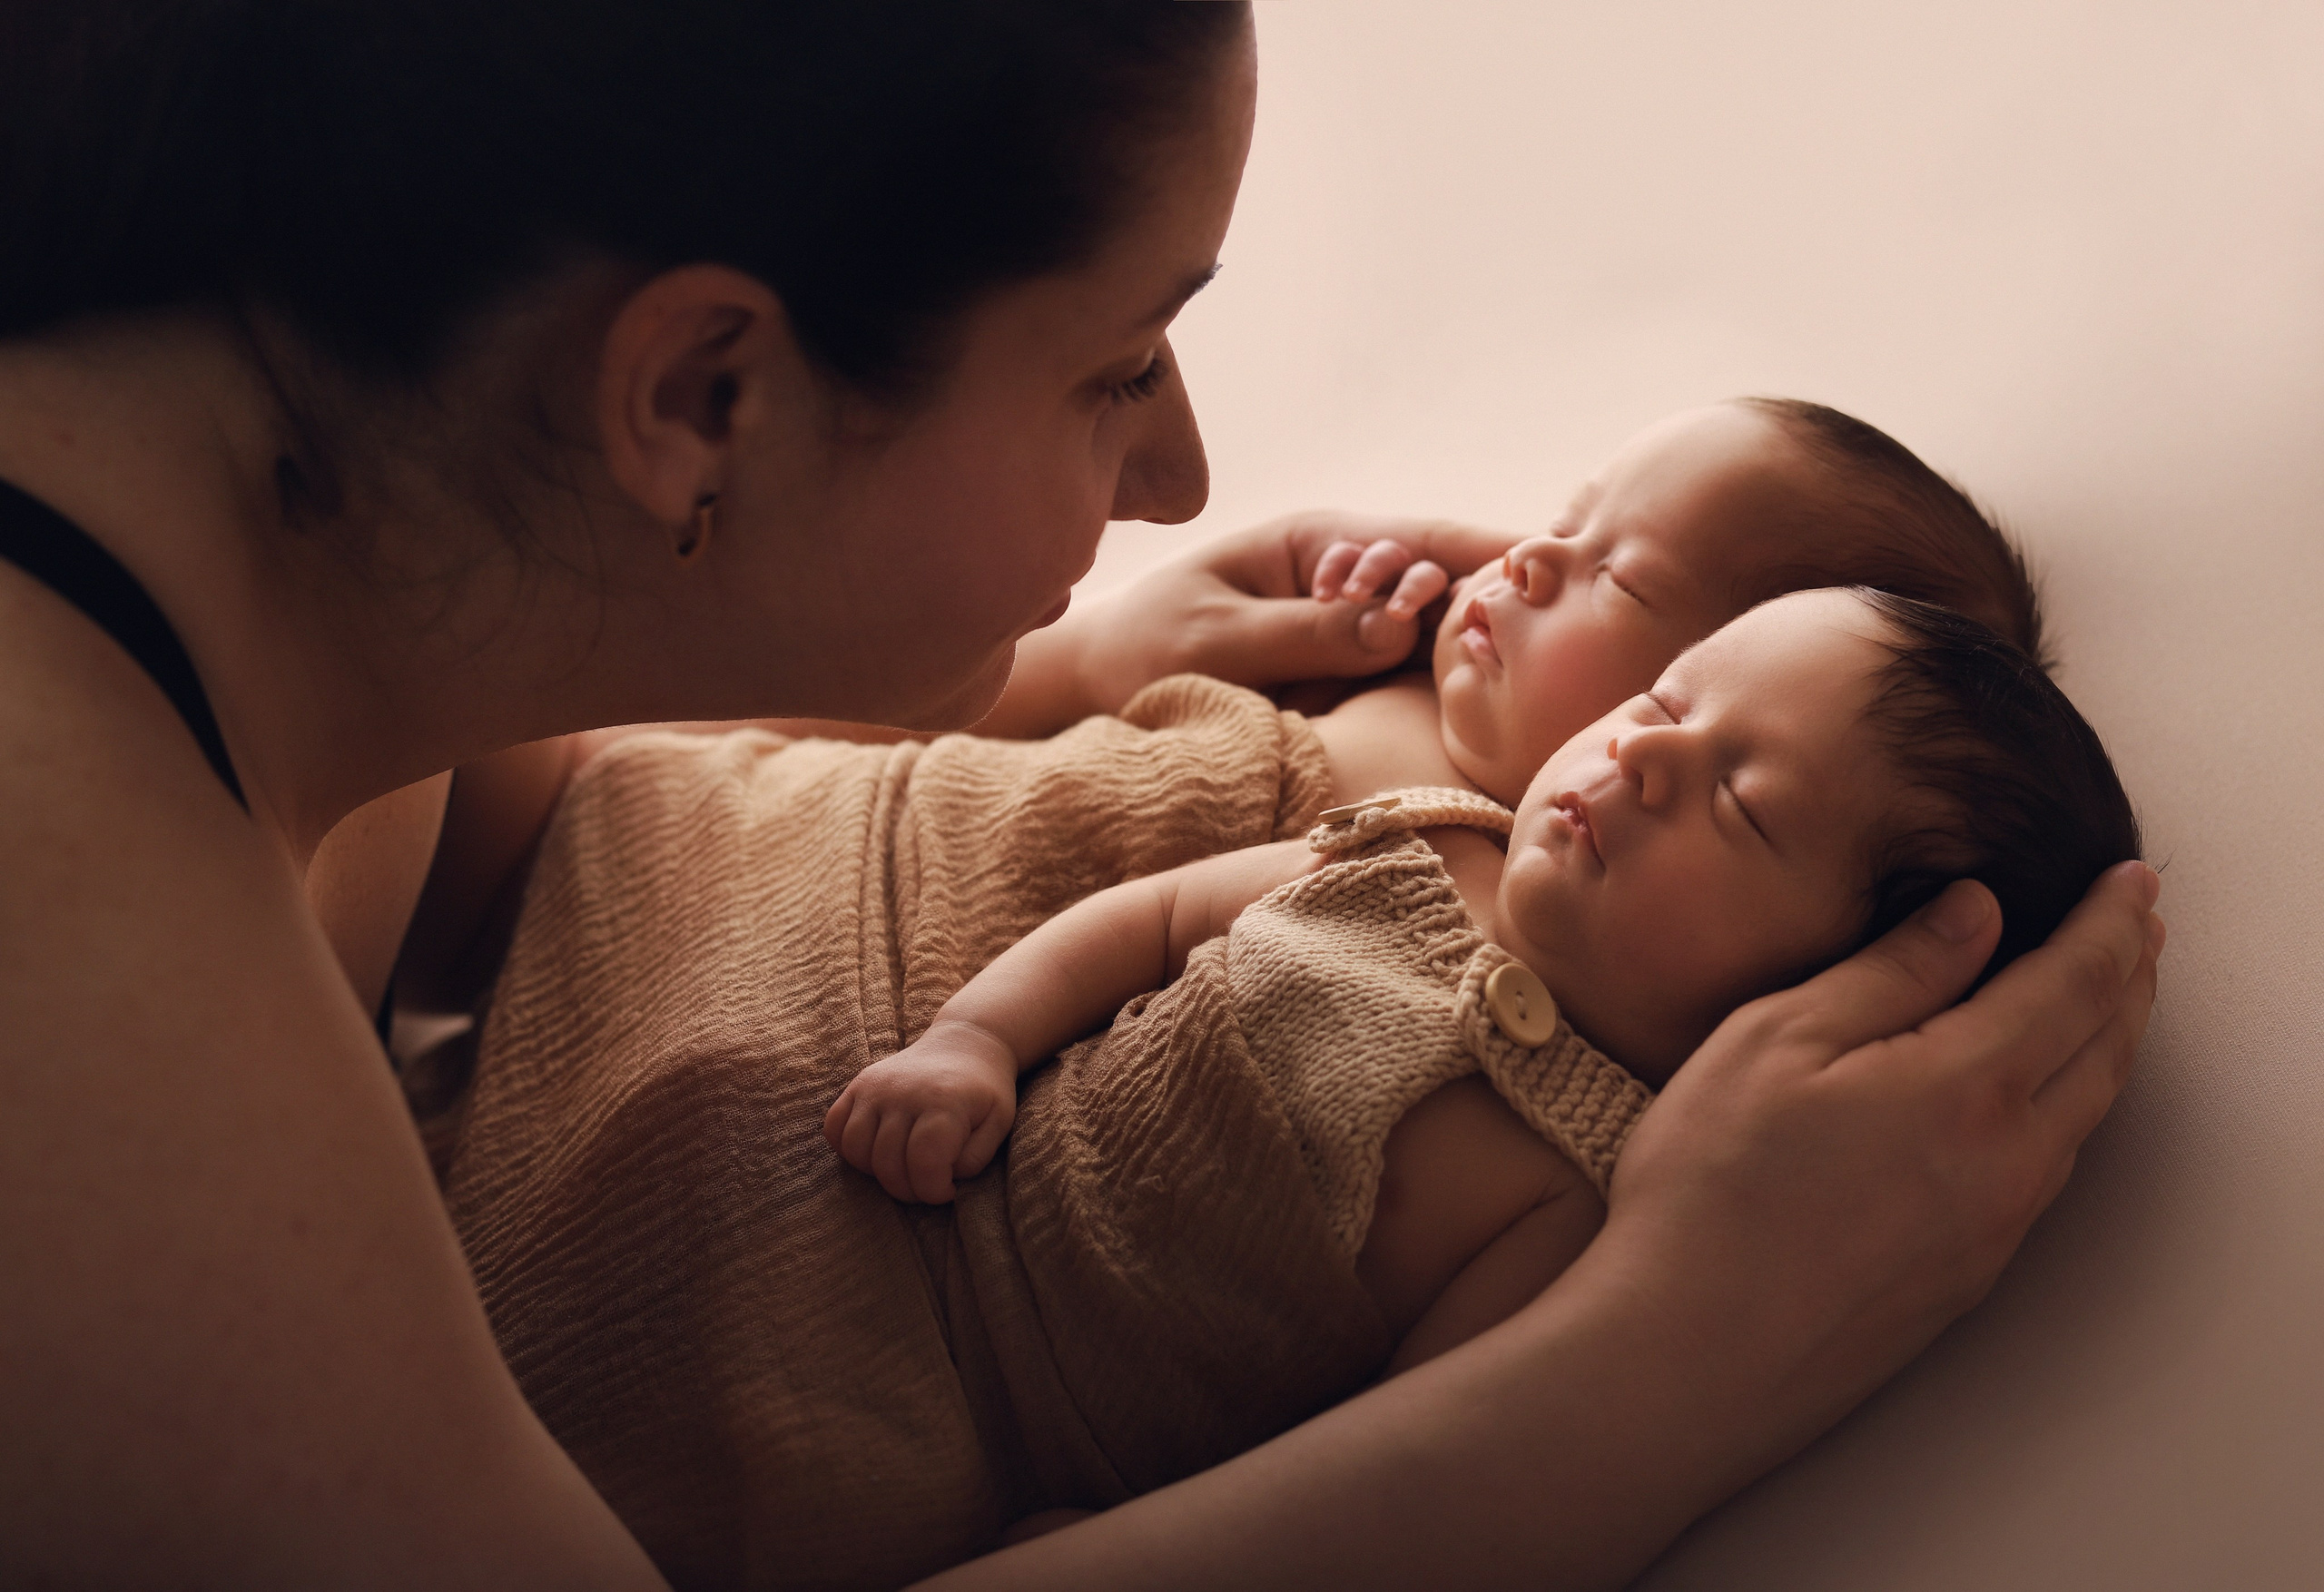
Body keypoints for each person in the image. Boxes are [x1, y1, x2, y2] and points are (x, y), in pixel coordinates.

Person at [0, 3, 2161, 1588]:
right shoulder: (72, 1029)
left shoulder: (174, 546)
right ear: (699, 395)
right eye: (1117, 362)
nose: (1181, 477)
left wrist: (1035, 683)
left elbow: (476, 830)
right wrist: (1667, 1358)